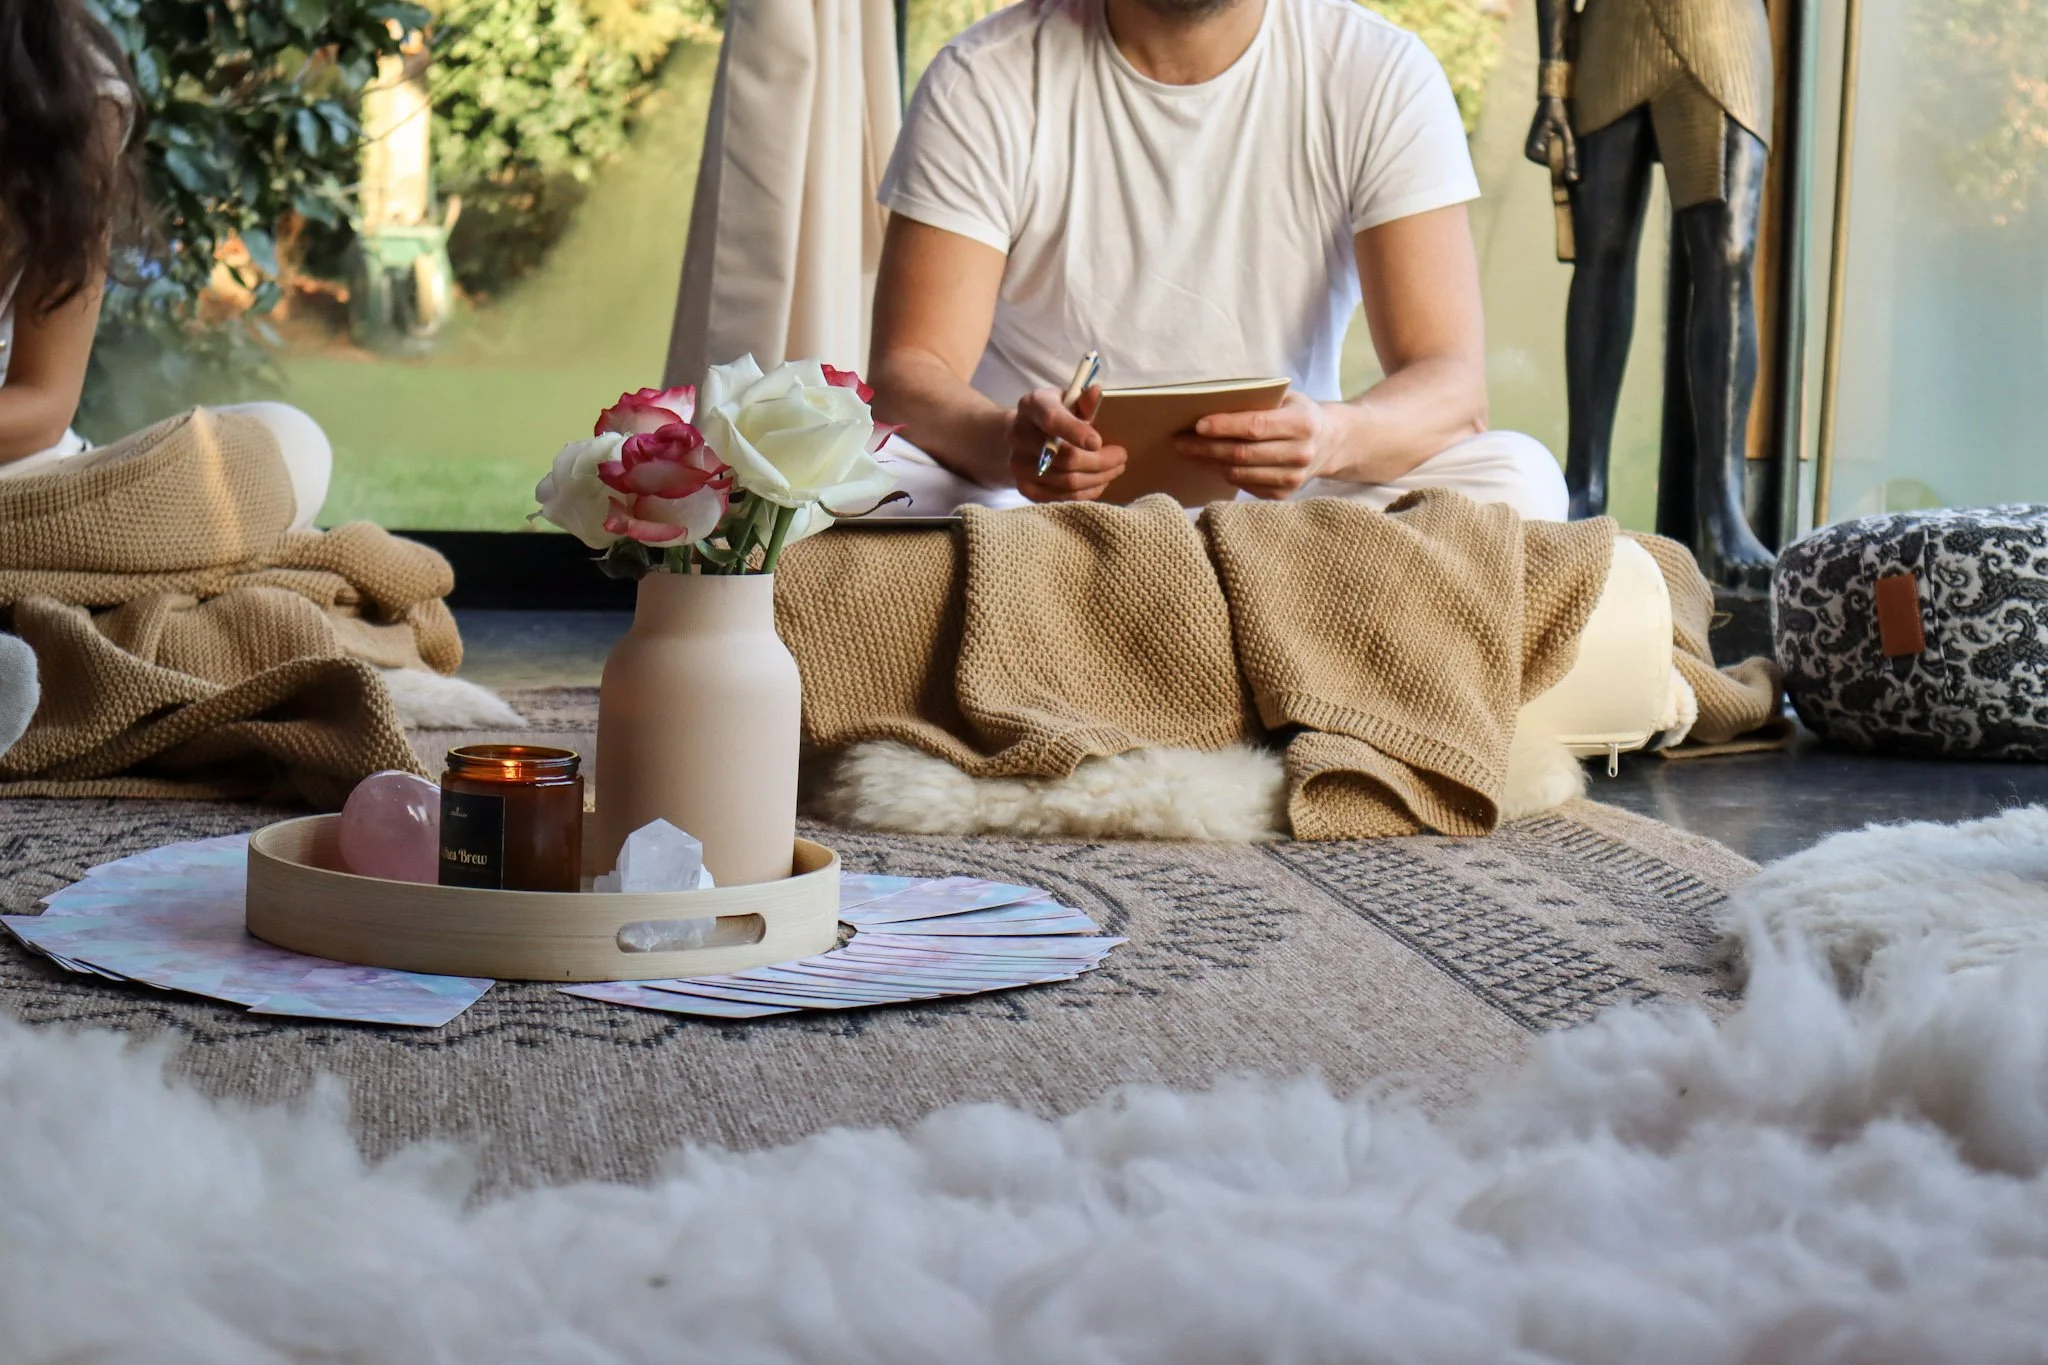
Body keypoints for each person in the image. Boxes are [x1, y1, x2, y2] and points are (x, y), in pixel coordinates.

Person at [866, 0, 1567, 520]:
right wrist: (1010, 445)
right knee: (865, 483)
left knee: (1519, 481)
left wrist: (1330, 437)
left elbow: (1450, 385)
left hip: (1281, 505)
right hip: (1032, 502)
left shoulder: (1380, 72)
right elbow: (910, 371)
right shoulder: (984, 75)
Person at [0, 0, 331, 532]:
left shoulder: (68, 89)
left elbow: (44, 404)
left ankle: (86, 551)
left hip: (20, 472)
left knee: (290, 441)